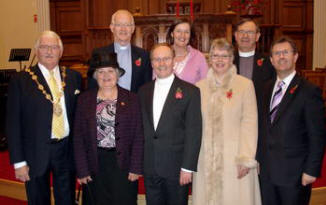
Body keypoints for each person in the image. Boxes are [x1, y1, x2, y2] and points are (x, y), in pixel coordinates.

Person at [6, 30, 82, 205]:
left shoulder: (73, 77)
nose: (49, 51)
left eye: (54, 47)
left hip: (65, 150)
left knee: (67, 199)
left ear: (61, 52)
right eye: (44, 47)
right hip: (34, 153)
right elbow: (13, 124)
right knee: (38, 200)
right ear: (36, 50)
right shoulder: (21, 80)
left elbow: (78, 118)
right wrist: (18, 162)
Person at [256, 36, 326, 205]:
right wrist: (257, 158)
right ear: (271, 60)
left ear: (295, 57)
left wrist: (311, 170)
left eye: (285, 52)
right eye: (277, 53)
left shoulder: (309, 92)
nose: (281, 57)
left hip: (294, 175)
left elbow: (317, 136)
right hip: (266, 173)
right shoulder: (264, 88)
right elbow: (262, 128)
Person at [192, 38, 261, 205]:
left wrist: (245, 158)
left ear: (232, 59)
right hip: (206, 157)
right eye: (215, 56)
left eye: (225, 56)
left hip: (234, 157)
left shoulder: (245, 85)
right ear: (210, 59)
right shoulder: (199, 87)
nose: (220, 60)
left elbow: (250, 123)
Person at [73, 52, 144, 205]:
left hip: (123, 165)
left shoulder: (132, 99)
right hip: (94, 165)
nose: (106, 75)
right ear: (95, 76)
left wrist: (136, 167)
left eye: (110, 71)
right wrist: (82, 169)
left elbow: (139, 135)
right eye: (101, 72)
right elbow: (78, 138)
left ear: (117, 75)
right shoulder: (84, 100)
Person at [138, 43, 202, 205]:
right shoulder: (143, 91)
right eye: (157, 59)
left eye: (166, 58)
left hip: (176, 168)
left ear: (173, 61)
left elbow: (194, 132)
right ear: (152, 63)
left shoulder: (190, 91)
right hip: (151, 166)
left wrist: (187, 167)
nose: (161, 63)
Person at [88, 9, 152, 92]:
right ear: (112, 28)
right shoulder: (99, 54)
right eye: (119, 25)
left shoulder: (144, 55)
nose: (123, 29)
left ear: (133, 28)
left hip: (135, 104)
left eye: (127, 25)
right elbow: (92, 87)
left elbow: (147, 88)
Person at [233, 18, 275, 105]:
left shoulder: (269, 62)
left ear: (257, 36)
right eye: (241, 32)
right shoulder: (227, 61)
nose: (245, 36)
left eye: (250, 32)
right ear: (236, 35)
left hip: (260, 115)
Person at [166, 18, 208, 84]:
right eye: (179, 31)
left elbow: (205, 84)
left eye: (186, 32)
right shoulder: (163, 54)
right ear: (172, 34)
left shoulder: (199, 57)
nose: (183, 35)